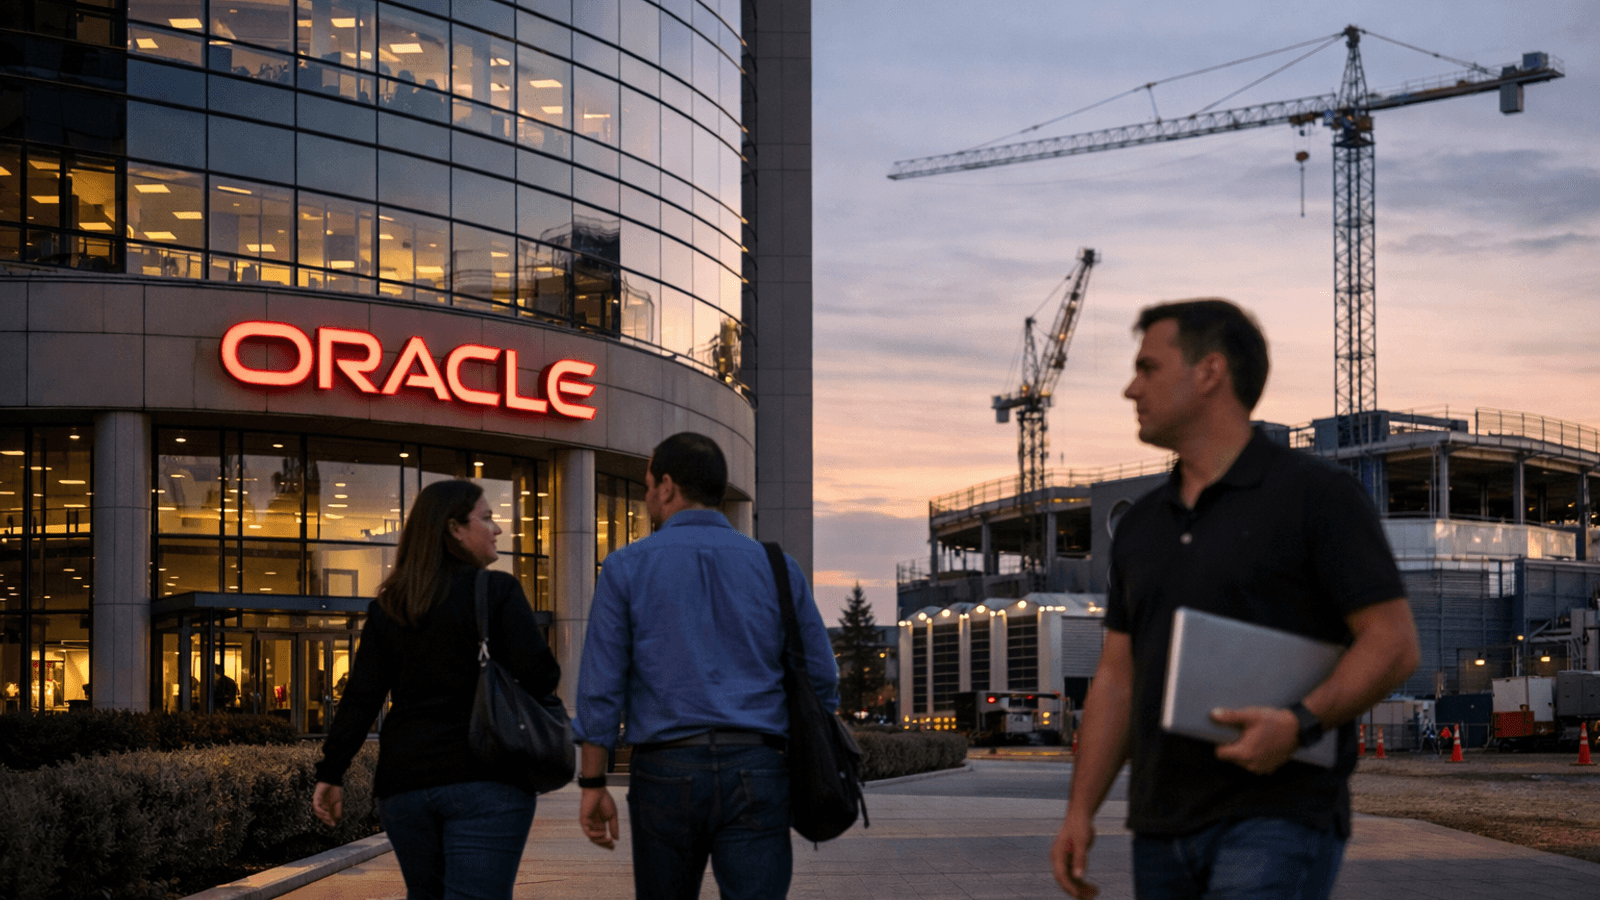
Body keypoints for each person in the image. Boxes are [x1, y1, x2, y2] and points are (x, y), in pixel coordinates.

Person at [1051, 300, 1420, 900]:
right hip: (1160, 826)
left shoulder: (1317, 497)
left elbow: (1393, 643)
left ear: (1209, 373)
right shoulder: (1141, 526)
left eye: (1147, 367)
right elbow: (1117, 677)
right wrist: (1078, 812)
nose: (1129, 388)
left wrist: (1298, 723)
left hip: (1278, 816)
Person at [573, 432, 839, 900]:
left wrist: (593, 781)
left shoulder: (625, 567)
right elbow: (821, 678)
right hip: (759, 766)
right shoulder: (778, 567)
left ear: (669, 486)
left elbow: (601, 686)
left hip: (665, 770)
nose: (646, 496)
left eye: (648, 484)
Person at [312, 479, 560, 900]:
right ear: (455, 529)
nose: (497, 529)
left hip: (405, 786)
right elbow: (541, 676)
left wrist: (331, 773)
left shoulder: (390, 605)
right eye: (487, 518)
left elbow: (362, 697)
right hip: (487, 779)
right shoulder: (497, 591)